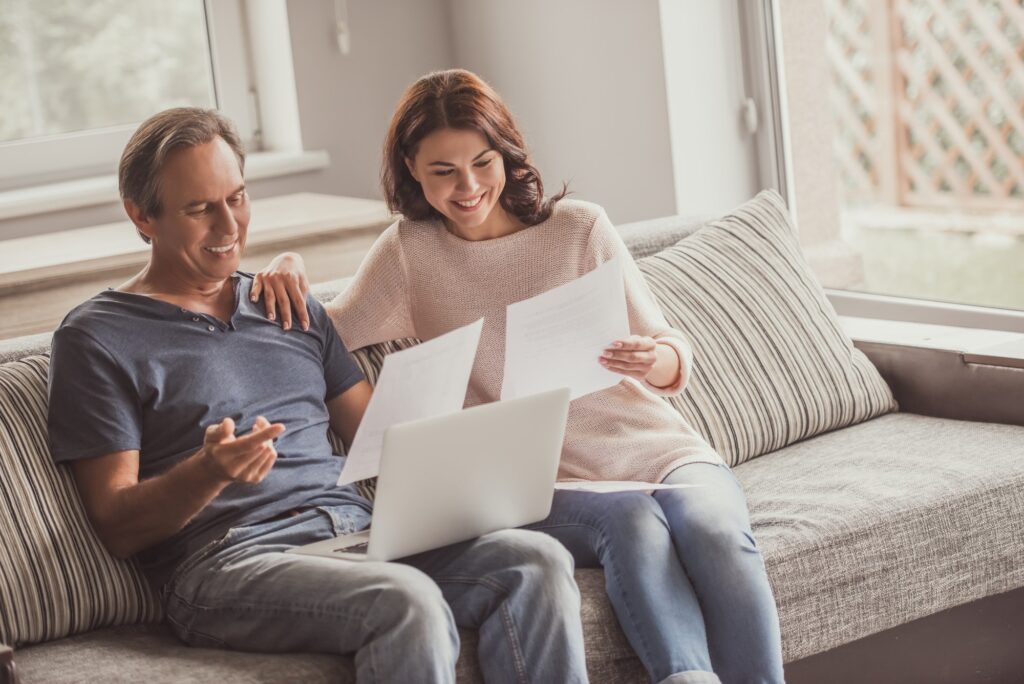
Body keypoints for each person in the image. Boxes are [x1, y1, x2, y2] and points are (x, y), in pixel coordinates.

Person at [257, 70, 786, 684]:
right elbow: (325, 330)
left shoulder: (580, 228)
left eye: (482, 162)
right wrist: (286, 264)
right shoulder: (410, 253)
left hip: (654, 446)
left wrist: (658, 360)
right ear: (411, 169)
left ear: (505, 153)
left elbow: (669, 345)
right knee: (635, 524)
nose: (468, 186)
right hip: (538, 478)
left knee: (717, 532)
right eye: (443, 171)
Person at [46, 107, 589, 684]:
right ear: (141, 216)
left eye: (237, 198)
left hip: (355, 535)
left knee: (536, 560)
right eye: (200, 208)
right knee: (405, 600)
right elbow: (117, 523)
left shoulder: (288, 306)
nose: (229, 228)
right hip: (230, 561)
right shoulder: (96, 337)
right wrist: (209, 470)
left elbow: (383, 441)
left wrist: (485, 440)